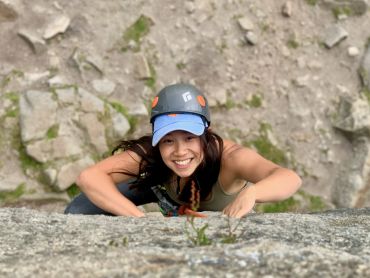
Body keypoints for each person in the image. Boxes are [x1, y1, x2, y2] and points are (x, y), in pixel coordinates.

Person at [65, 83, 302, 218]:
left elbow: (289, 178)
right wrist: (138, 220)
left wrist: (252, 193)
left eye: (189, 137)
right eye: (168, 140)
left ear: (205, 134)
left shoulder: (231, 158)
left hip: (189, 205)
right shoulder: (152, 153)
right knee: (78, 209)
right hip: (163, 192)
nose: (180, 151)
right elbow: (89, 177)